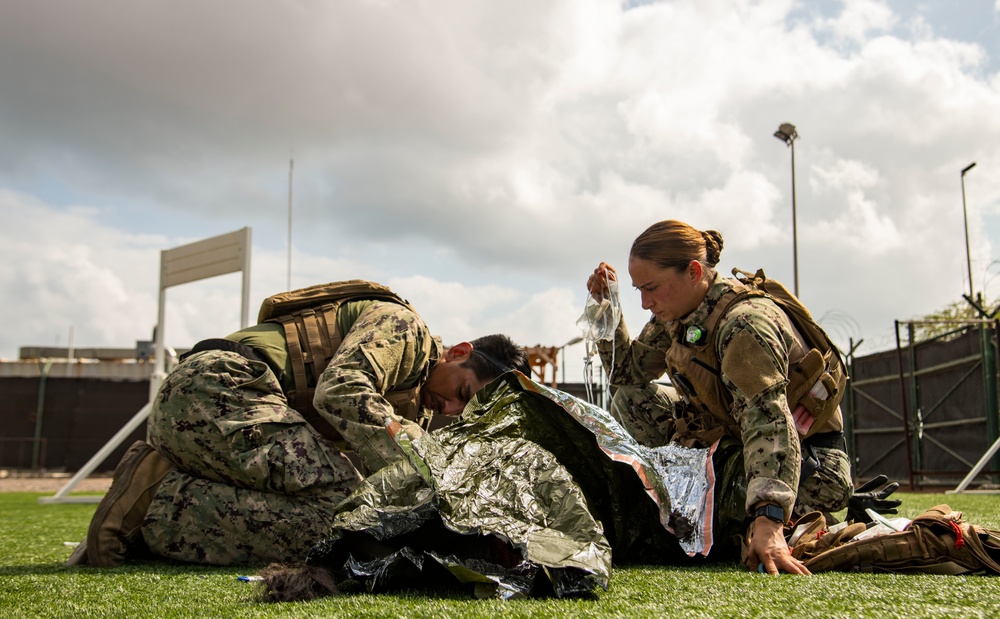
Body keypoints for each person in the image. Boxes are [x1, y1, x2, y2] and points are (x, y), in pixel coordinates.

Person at [68, 279, 529, 567]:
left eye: (461, 411)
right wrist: (429, 468)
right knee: (340, 511)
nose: (451, 409)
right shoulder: (404, 327)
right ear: (459, 352)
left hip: (222, 420)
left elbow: (390, 490)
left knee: (347, 523)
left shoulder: (418, 409)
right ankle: (158, 503)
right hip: (218, 388)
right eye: (463, 393)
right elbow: (341, 391)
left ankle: (167, 491)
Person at [586, 220, 854, 576]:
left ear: (694, 272)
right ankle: (696, 500)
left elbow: (768, 419)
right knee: (630, 399)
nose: (645, 302)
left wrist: (770, 520)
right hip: (731, 448)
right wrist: (606, 308)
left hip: (809, 467)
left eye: (651, 288)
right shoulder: (679, 313)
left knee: (696, 519)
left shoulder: (744, 326)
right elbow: (628, 374)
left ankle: (760, 515)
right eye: (638, 290)